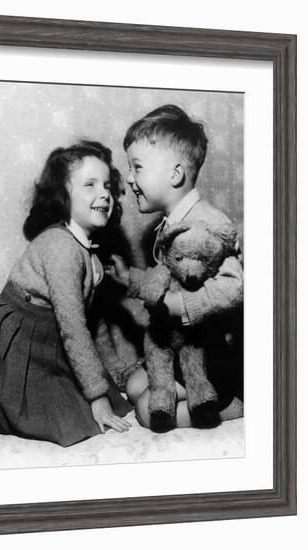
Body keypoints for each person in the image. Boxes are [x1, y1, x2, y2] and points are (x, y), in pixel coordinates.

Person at [107, 104, 244, 430]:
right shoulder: (171, 223)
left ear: (175, 174)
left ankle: (228, 405)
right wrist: (130, 279)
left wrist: (180, 305)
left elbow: (235, 285)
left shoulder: (208, 223)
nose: (128, 178)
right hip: (176, 349)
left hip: (208, 360)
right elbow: (165, 277)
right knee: (135, 385)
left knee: (145, 410)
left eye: (136, 168)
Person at [0, 140, 132, 447]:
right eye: (90, 185)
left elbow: (91, 322)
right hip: (23, 336)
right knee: (69, 420)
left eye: (107, 184)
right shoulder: (61, 247)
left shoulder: (89, 252)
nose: (104, 194)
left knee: (113, 399)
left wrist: (113, 373)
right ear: (62, 196)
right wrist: (97, 396)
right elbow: (72, 328)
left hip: (55, 332)